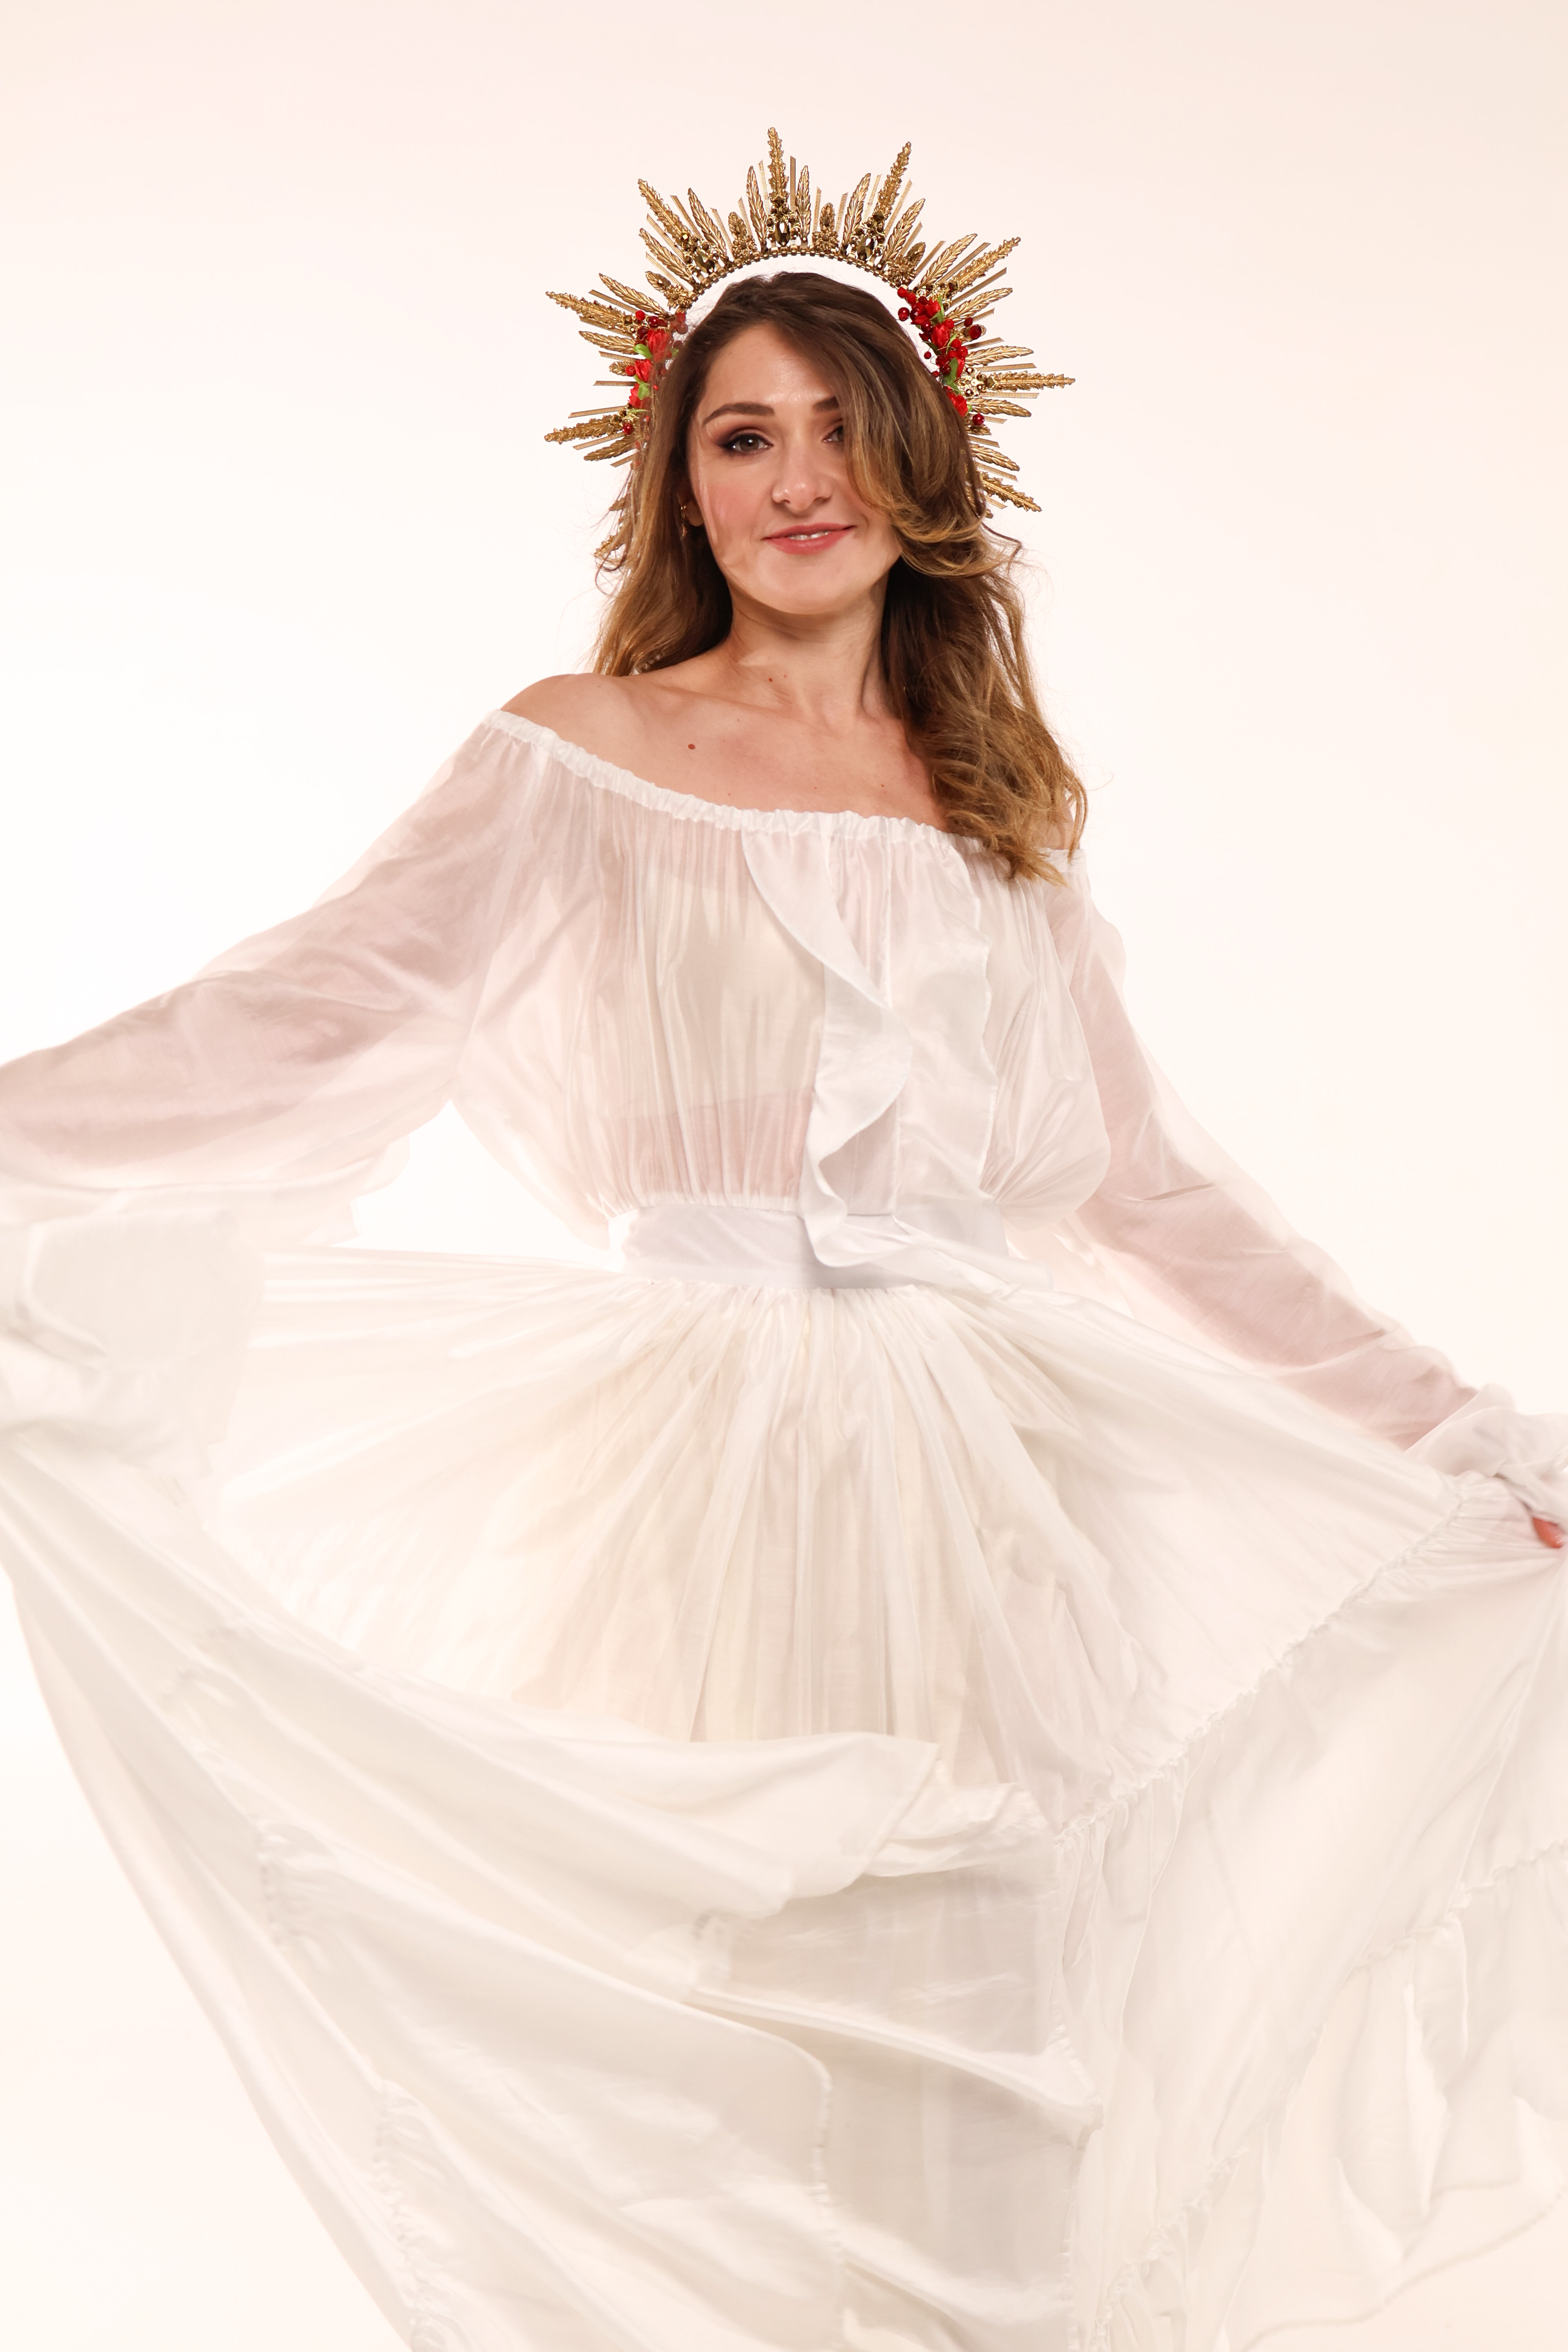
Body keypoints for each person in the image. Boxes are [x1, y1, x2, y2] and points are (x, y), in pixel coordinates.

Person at [2, 201, 1566, 2352]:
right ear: (682, 487)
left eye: (843, 429)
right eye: (744, 437)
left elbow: (1154, 1196)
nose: (799, 480)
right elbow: (305, 1016)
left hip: (987, 1485)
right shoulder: (580, 751)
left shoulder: (994, 816)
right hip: (698, 1473)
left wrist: (1456, 1430)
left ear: (927, 468)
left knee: (989, 2006)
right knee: (724, 2004)